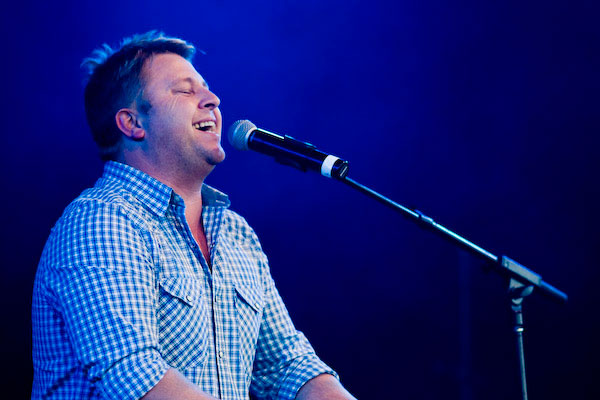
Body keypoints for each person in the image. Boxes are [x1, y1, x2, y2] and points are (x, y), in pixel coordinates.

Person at [31, 31, 355, 400]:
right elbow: (138, 378)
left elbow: (289, 366)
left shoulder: (235, 233)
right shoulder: (101, 221)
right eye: (185, 91)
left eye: (207, 89)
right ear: (133, 123)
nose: (213, 100)